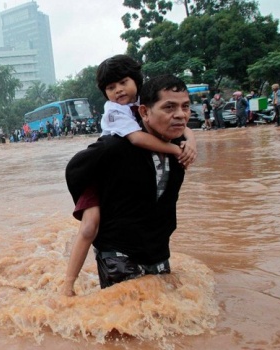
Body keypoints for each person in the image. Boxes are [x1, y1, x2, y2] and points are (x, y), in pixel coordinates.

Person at [61, 55, 196, 296]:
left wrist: (191, 141)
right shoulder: (115, 121)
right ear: (146, 113)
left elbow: (182, 124)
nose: (118, 91)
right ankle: (67, 284)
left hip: (153, 245)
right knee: (90, 226)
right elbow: (131, 140)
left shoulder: (154, 114)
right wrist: (177, 148)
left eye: (123, 83)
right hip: (98, 172)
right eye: (111, 88)